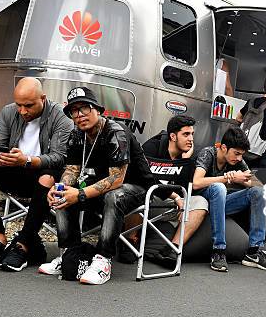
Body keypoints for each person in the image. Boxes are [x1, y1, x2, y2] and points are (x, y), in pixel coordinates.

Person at [40, 87, 169, 284]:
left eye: (85, 108)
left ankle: (103, 259)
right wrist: (60, 188)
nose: (80, 115)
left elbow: (117, 179)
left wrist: (81, 194)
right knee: (63, 195)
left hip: (136, 187)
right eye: (74, 111)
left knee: (113, 195)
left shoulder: (116, 132)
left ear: (98, 110)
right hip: (103, 186)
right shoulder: (77, 135)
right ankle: (69, 254)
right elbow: (72, 170)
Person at [0, 78, 73, 272]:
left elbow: (59, 157)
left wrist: (27, 160)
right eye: (19, 105)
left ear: (43, 98)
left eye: (29, 105)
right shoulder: (9, 112)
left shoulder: (60, 117)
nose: (23, 111)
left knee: (47, 177)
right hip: (14, 170)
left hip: (42, 175)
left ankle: (23, 246)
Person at [192, 127, 266, 272]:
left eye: (241, 155)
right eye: (236, 153)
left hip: (221, 204)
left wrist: (240, 179)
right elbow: (196, 183)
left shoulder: (237, 160)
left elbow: (258, 185)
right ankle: (218, 251)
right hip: (202, 204)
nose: (238, 158)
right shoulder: (208, 153)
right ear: (224, 147)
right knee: (219, 188)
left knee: (258, 192)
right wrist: (227, 178)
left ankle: (254, 251)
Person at [141, 115, 209, 267]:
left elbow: (186, 189)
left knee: (201, 202)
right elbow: (143, 179)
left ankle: (171, 250)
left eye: (192, 134)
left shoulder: (186, 158)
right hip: (146, 201)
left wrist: (184, 161)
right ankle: (131, 239)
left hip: (169, 207)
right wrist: (176, 197)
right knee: (137, 191)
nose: (191, 139)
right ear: (172, 136)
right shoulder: (152, 147)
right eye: (186, 134)